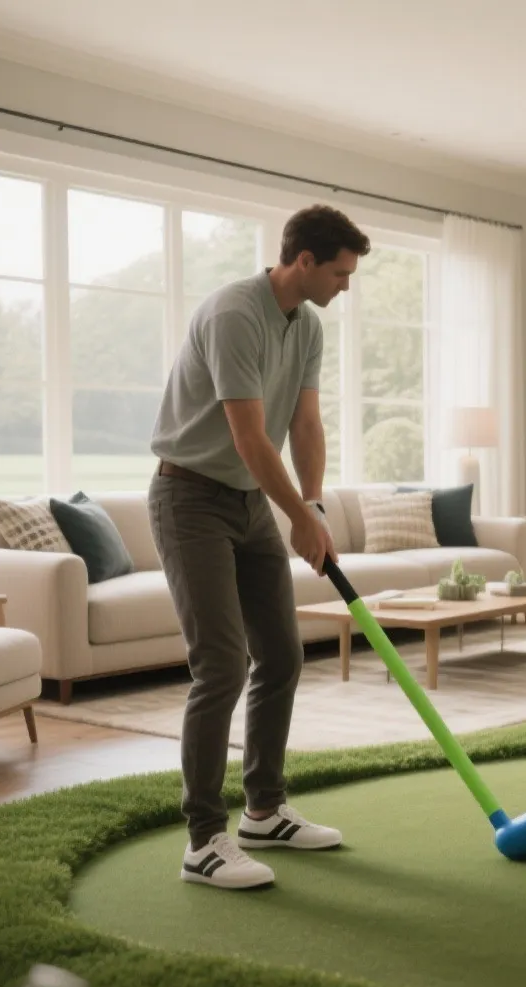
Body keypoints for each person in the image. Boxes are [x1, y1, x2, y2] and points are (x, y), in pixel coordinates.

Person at [148, 204, 370, 889]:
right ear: (303, 261)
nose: (346, 284)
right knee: (221, 663)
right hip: (190, 498)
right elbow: (247, 434)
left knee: (280, 655)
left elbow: (304, 422)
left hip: (249, 502)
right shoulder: (233, 314)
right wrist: (298, 521)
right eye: (340, 271)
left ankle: (264, 811)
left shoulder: (306, 325)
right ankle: (203, 841)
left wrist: (312, 504)